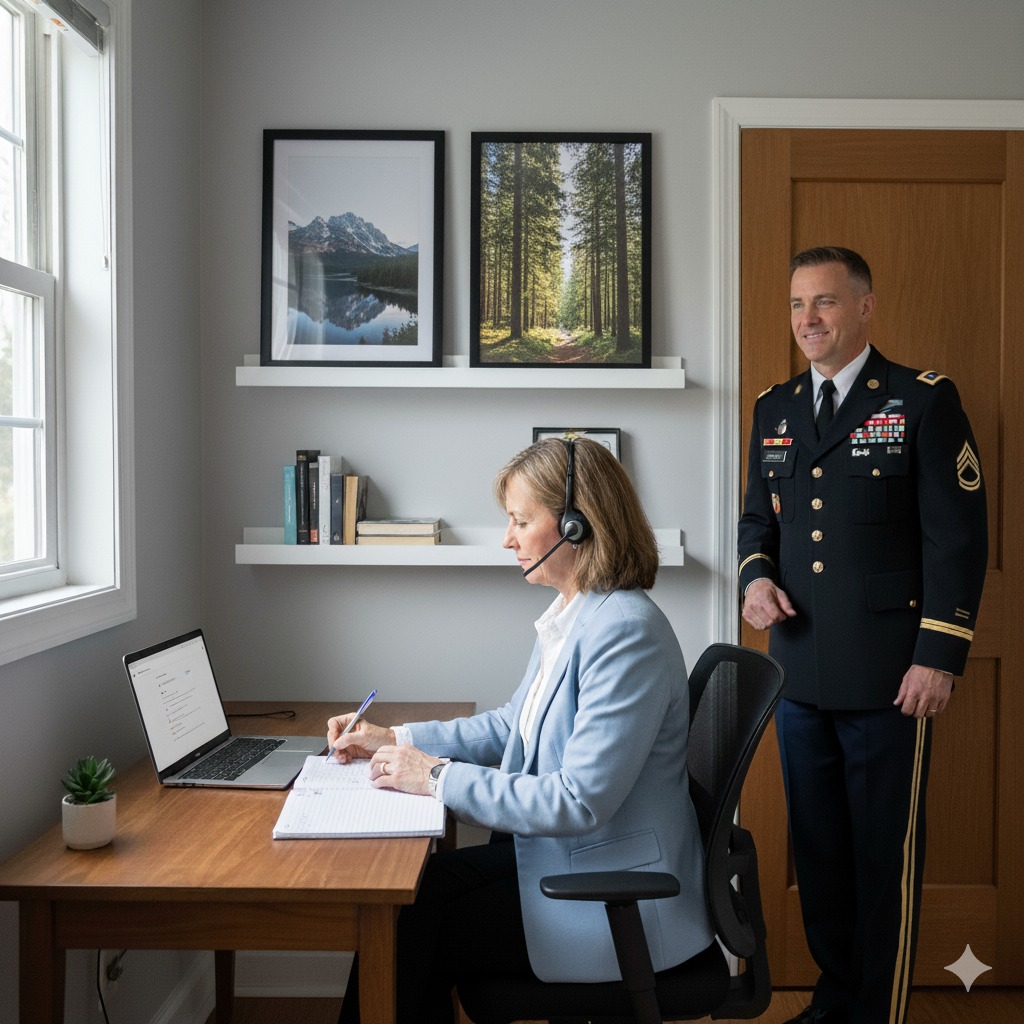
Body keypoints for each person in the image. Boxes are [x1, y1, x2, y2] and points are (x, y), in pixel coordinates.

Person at [330, 436, 719, 1024]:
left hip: (615, 896)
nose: (508, 539)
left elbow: (577, 799)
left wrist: (434, 777)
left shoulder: (625, 632)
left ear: (576, 525)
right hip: (572, 862)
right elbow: (514, 725)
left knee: (408, 929)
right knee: (416, 897)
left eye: (519, 521)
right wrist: (397, 740)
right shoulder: (578, 612)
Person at [738, 246, 988, 1024]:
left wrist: (938, 656)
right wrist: (754, 578)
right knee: (820, 861)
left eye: (826, 303)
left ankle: (877, 1012)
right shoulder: (773, 408)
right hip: (800, 677)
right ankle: (836, 996)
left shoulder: (920, 400)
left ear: (866, 307)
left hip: (892, 680)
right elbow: (757, 519)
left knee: (883, 863)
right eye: (796, 305)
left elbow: (958, 540)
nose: (807, 320)